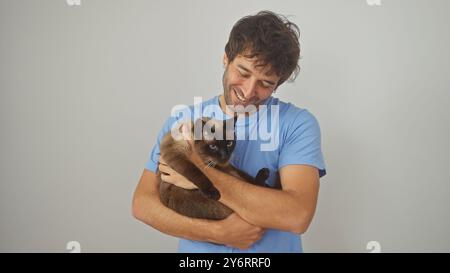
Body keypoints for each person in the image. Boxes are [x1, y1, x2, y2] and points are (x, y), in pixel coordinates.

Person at [132, 10, 326, 253]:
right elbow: (143, 204)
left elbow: (297, 216)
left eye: (265, 83)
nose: (248, 90)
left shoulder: (297, 123)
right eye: (243, 73)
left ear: (278, 85)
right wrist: (219, 233)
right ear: (226, 58)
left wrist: (198, 172)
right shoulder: (183, 120)